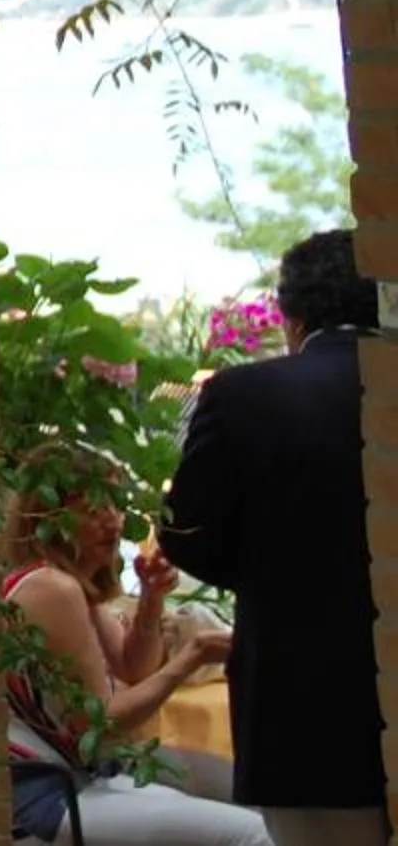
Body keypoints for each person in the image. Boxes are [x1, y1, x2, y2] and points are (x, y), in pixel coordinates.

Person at [160, 230, 390, 846]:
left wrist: (275, 569)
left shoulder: (243, 396)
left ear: (291, 316)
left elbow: (185, 532)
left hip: (301, 698)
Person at [3, 441, 269, 844]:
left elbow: (135, 669)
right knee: (251, 835)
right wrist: (192, 656)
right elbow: (102, 724)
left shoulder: (69, 582)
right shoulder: (52, 589)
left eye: (115, 503)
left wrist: (151, 601)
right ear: (51, 518)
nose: (112, 521)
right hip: (48, 797)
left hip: (86, 777)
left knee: (255, 797)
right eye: (93, 508)